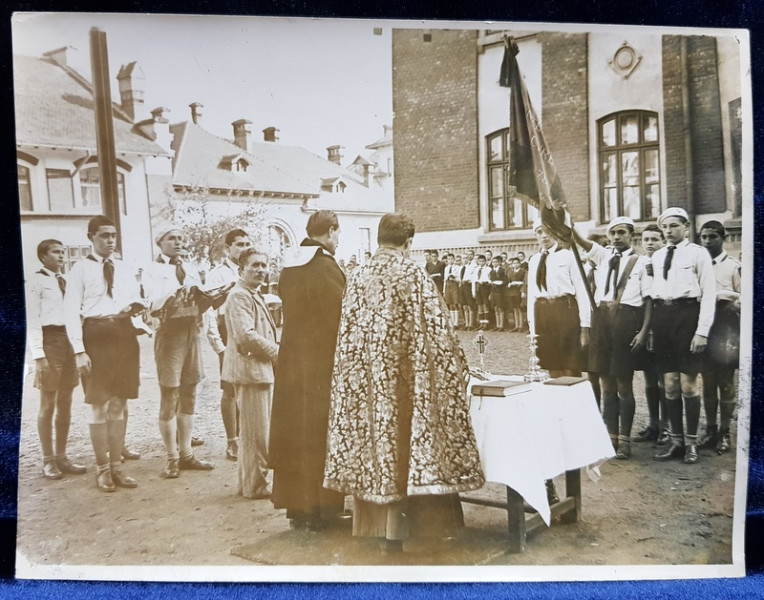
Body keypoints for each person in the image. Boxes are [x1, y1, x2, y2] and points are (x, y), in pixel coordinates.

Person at [323, 212, 484, 552]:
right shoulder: (414, 274)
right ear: (409, 242)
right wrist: (458, 367)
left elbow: (348, 334)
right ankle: (415, 534)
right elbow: (439, 333)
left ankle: (376, 530)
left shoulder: (358, 274)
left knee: (379, 446)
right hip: (406, 384)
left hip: (368, 385)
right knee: (409, 445)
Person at [269, 210, 347, 530]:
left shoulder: (291, 265)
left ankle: (298, 509)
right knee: (318, 433)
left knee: (295, 432)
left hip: (292, 363)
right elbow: (339, 319)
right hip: (320, 364)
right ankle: (324, 511)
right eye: (338, 233)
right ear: (330, 231)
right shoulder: (324, 266)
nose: (338, 240)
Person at [63, 216, 146, 492]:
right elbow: (71, 312)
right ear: (91, 237)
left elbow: (133, 301)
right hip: (95, 336)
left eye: (113, 235)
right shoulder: (79, 270)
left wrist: (138, 314)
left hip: (122, 334)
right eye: (104, 236)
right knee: (99, 404)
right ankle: (101, 469)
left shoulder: (123, 268)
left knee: (119, 403)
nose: (110, 240)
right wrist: (79, 351)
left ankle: (116, 468)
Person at [572, 217, 653, 459]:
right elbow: (580, 241)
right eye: (613, 233)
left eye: (621, 233)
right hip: (602, 321)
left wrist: (644, 331)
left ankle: (625, 440)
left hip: (626, 320)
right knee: (605, 383)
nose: (616, 237)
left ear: (631, 235)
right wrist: (566, 220)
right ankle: (610, 438)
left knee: (623, 383)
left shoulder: (642, 262)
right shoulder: (603, 256)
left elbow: (649, 300)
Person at [144, 227, 215, 479]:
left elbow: (202, 298)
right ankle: (172, 457)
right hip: (169, 333)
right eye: (172, 238)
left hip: (191, 332)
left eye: (181, 238)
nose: (178, 242)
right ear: (159, 242)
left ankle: (186, 454)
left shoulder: (192, 268)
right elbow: (150, 303)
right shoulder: (152, 269)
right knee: (170, 393)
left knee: (190, 391)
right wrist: (174, 294)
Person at [651, 207, 716, 464]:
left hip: (688, 317)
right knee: (669, 384)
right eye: (665, 227)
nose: (669, 231)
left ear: (686, 227)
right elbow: (654, 291)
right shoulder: (656, 256)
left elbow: (709, 294)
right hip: (663, 317)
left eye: (674, 226)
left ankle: (691, 443)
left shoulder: (698, 253)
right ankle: (676, 441)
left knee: (689, 385)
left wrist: (702, 332)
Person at [27, 239, 86, 480]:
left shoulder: (69, 281)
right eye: (56, 252)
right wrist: (38, 355)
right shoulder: (36, 281)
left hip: (69, 341)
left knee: (66, 402)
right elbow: (32, 319)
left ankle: (62, 457)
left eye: (63, 252)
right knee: (48, 403)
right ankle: (48, 460)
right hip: (49, 341)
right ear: (43, 256)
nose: (61, 256)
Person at [223, 247, 279, 499]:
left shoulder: (251, 294)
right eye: (254, 265)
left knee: (254, 432)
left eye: (264, 265)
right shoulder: (239, 296)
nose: (260, 270)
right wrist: (277, 352)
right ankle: (255, 485)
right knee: (257, 434)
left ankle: (249, 483)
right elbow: (245, 336)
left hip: (257, 371)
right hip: (251, 372)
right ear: (241, 269)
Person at [205, 228, 252, 461]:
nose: (244, 248)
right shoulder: (218, 274)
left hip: (248, 331)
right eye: (239, 244)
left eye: (247, 244)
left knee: (249, 385)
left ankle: (246, 437)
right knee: (230, 389)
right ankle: (232, 440)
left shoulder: (251, 269)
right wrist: (219, 346)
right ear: (228, 248)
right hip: (227, 331)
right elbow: (209, 312)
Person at [526, 219, 591, 378]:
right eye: (539, 232)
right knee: (550, 362)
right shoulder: (534, 260)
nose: (544, 236)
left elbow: (582, 292)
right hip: (542, 311)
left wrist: (585, 326)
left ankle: (573, 397)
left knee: (570, 362)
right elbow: (532, 294)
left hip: (564, 310)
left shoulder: (568, 256)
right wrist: (532, 327)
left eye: (548, 231)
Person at [697, 220, 741, 454]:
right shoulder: (698, 264)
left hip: (725, 328)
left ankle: (725, 432)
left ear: (723, 238)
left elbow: (744, 298)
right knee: (708, 382)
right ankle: (710, 429)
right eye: (703, 237)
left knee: (725, 382)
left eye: (712, 237)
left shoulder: (733, 266)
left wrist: (722, 294)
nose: (707, 241)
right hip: (704, 327)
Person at [633, 224, 670, 445]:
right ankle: (653, 424)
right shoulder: (639, 264)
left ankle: (667, 426)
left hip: (664, 327)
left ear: (663, 242)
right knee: (649, 378)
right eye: (646, 239)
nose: (649, 243)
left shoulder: (667, 263)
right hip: (644, 326)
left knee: (665, 378)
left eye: (655, 239)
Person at [506, 257, 527, 332]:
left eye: (517, 263)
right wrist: (509, 284)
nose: (515, 265)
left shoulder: (523, 272)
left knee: (520, 309)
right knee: (514, 308)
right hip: (512, 292)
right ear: (512, 264)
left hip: (519, 292)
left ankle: (521, 326)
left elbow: (525, 282)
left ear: (520, 264)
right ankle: (516, 325)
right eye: (514, 263)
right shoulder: (510, 272)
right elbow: (508, 281)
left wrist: (522, 290)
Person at [488, 255, 508, 331]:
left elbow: (506, 280)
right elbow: (491, 281)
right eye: (493, 262)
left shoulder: (502, 270)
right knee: (495, 308)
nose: (495, 263)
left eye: (496, 262)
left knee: (500, 308)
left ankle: (501, 325)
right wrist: (490, 293)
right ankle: (497, 325)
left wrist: (501, 282)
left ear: (499, 262)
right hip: (493, 291)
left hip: (500, 292)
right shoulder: (491, 271)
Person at [443, 253, 462, 328]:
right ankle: (451, 322)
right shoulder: (446, 268)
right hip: (448, 286)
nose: (450, 260)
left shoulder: (457, 267)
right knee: (450, 304)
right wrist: (444, 291)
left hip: (454, 285)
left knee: (455, 303)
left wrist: (454, 278)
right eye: (449, 259)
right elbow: (445, 280)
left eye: (451, 259)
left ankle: (456, 322)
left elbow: (459, 278)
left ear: (454, 259)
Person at [459, 249, 477, 330]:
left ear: (473, 256)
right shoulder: (464, 267)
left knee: (470, 305)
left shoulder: (474, 266)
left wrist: (470, 281)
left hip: (469, 286)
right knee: (464, 306)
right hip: (463, 286)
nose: (469, 257)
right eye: (467, 256)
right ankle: (466, 323)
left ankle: (471, 324)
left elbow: (474, 277)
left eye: (470, 255)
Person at [472, 254, 491, 329]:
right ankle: (481, 323)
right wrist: (473, 292)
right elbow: (474, 281)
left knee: (485, 305)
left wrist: (486, 282)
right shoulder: (476, 269)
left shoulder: (488, 269)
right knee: (479, 305)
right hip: (478, 287)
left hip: (485, 287)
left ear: (485, 261)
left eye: (483, 261)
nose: (481, 263)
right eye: (480, 261)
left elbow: (490, 280)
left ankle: (486, 324)